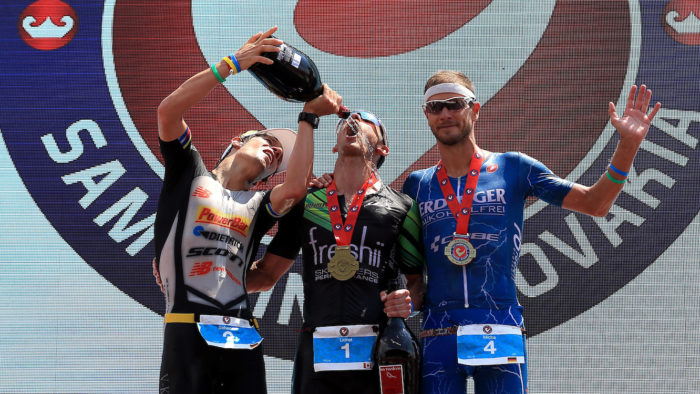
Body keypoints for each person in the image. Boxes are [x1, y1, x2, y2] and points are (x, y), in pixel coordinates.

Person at [401, 70, 661, 394]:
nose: (445, 114)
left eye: (454, 104)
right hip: (437, 332)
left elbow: (595, 204)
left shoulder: (514, 167)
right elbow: (402, 261)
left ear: (475, 109)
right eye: (434, 108)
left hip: (499, 327)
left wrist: (628, 145)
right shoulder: (417, 184)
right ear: (426, 115)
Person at [153, 26, 342, 394]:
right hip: (186, 327)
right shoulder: (190, 173)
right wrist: (231, 65)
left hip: (241, 331)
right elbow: (168, 111)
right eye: (269, 142)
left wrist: (308, 118)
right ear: (237, 142)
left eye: (278, 162)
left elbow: (295, 188)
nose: (274, 155)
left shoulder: (257, 204)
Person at [247, 110, 425, 394]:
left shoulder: (403, 206)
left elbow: (417, 283)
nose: (352, 120)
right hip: (317, 351)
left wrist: (409, 302)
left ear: (382, 147)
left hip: (381, 350)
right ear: (335, 144)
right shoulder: (307, 202)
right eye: (345, 121)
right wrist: (200, 280)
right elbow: (266, 275)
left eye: (366, 119)